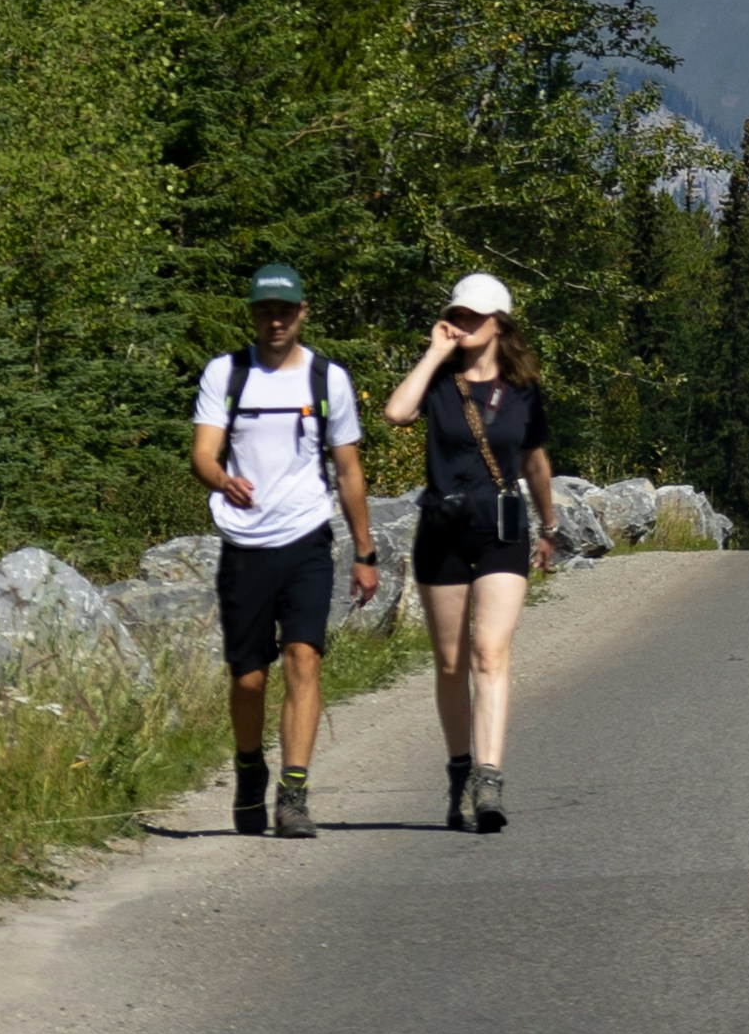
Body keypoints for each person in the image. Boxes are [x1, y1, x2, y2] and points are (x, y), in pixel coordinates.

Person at [189, 262, 377, 841]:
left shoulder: (328, 380)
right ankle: (250, 768)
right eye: (265, 310)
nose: (276, 320)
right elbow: (202, 454)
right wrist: (222, 481)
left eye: (285, 310)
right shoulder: (226, 374)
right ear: (252, 314)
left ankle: (293, 794)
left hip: (306, 540)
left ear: (302, 312)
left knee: (304, 657)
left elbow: (348, 470)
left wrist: (365, 552)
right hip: (244, 546)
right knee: (248, 678)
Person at [382, 271, 555, 836]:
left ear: (499, 323)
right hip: (441, 530)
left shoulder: (525, 391)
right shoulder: (438, 382)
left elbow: (534, 461)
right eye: (456, 315)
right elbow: (395, 413)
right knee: (452, 663)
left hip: (501, 531)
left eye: (472, 318)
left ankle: (489, 777)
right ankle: (459, 768)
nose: (461, 324)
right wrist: (434, 355)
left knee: (489, 652)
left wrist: (549, 523)